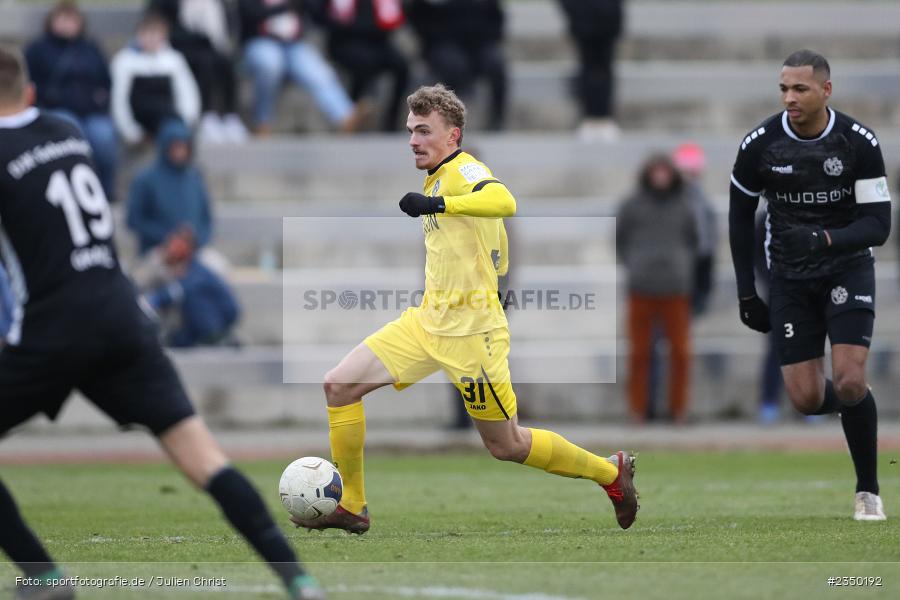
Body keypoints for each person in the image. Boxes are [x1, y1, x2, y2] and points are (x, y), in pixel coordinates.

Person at [0, 46, 324, 600]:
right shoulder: (69, 130)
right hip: (121, 315)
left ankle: (44, 576)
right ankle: (299, 580)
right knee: (204, 458)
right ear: (30, 93)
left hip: (54, 326)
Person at [292, 84, 638, 536]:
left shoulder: (462, 169)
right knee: (338, 386)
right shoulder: (436, 173)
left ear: (453, 136)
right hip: (427, 321)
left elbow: (504, 201)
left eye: (424, 131)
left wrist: (439, 204)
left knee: (507, 444)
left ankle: (610, 474)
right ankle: (353, 505)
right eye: (411, 131)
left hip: (473, 335)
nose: (414, 140)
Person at [729, 50, 891, 520]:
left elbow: (878, 225)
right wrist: (745, 292)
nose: (789, 98)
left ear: (826, 90)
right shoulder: (760, 144)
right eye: (783, 88)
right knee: (803, 398)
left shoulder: (857, 142)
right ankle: (855, 405)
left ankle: (868, 491)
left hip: (847, 269)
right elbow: (739, 221)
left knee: (849, 377)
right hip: (790, 279)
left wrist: (824, 238)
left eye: (799, 88)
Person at [616, 155, 697, 423]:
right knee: (639, 353)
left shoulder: (684, 206)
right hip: (641, 288)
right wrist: (636, 265)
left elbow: (694, 242)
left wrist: (681, 267)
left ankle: (678, 410)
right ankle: (637, 410)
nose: (661, 177)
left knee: (681, 354)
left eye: (665, 172)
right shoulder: (632, 206)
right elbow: (620, 241)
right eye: (656, 172)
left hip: (675, 289)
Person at [25, 0, 119, 200]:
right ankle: (76, 194)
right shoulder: (38, 49)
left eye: (72, 20)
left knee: (104, 139)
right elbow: (27, 82)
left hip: (92, 111)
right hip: (56, 109)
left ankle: (105, 192)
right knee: (72, 133)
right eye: (63, 19)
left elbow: (106, 80)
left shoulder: (90, 48)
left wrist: (100, 100)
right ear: (52, 21)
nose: (67, 25)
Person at [237, 0, 361, 135]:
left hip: (292, 45)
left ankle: (346, 117)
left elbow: (316, 14)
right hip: (260, 41)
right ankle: (262, 122)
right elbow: (249, 13)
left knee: (319, 72)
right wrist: (285, 6)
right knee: (270, 64)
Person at [148, 0, 249, 143]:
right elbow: (162, 26)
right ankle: (207, 115)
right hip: (181, 47)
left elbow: (228, 26)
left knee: (225, 63)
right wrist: (199, 38)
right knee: (205, 63)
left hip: (212, 47)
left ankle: (231, 115)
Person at [405, 0, 507, 131]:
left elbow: (496, 17)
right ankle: (452, 120)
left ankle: (497, 118)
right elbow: (417, 15)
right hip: (442, 42)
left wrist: (488, 37)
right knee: (454, 65)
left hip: (480, 43)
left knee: (495, 62)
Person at [110, 11, 201, 146]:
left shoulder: (174, 60)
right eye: (147, 33)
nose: (151, 38)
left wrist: (186, 121)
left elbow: (187, 93)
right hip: (139, 119)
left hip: (168, 119)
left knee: (176, 136)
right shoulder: (124, 61)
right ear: (139, 35)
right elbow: (119, 99)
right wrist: (131, 131)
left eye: (156, 33)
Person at [316, 0, 409, 132]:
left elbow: (392, 19)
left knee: (402, 67)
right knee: (364, 64)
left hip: (376, 42)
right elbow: (321, 16)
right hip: (344, 41)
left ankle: (391, 119)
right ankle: (349, 113)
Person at [556, 0, 624, 142]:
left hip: (608, 21)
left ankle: (605, 117)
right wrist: (573, 11)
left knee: (605, 71)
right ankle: (589, 117)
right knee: (587, 71)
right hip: (582, 21)